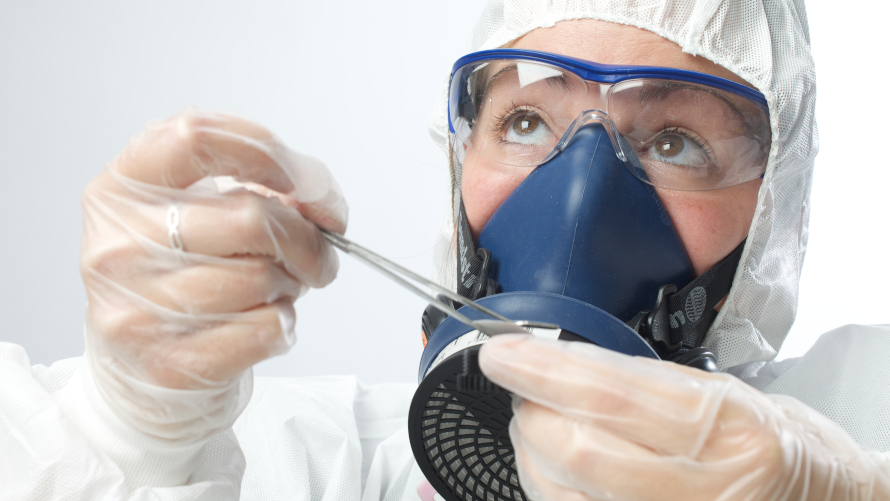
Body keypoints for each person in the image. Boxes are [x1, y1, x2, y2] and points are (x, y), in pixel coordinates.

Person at [3, 1, 890, 500]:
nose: (581, 194)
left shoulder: (846, 439)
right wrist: (123, 431)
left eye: (674, 142)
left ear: (772, 210)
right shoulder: (305, 461)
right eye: (529, 119)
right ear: (461, 161)